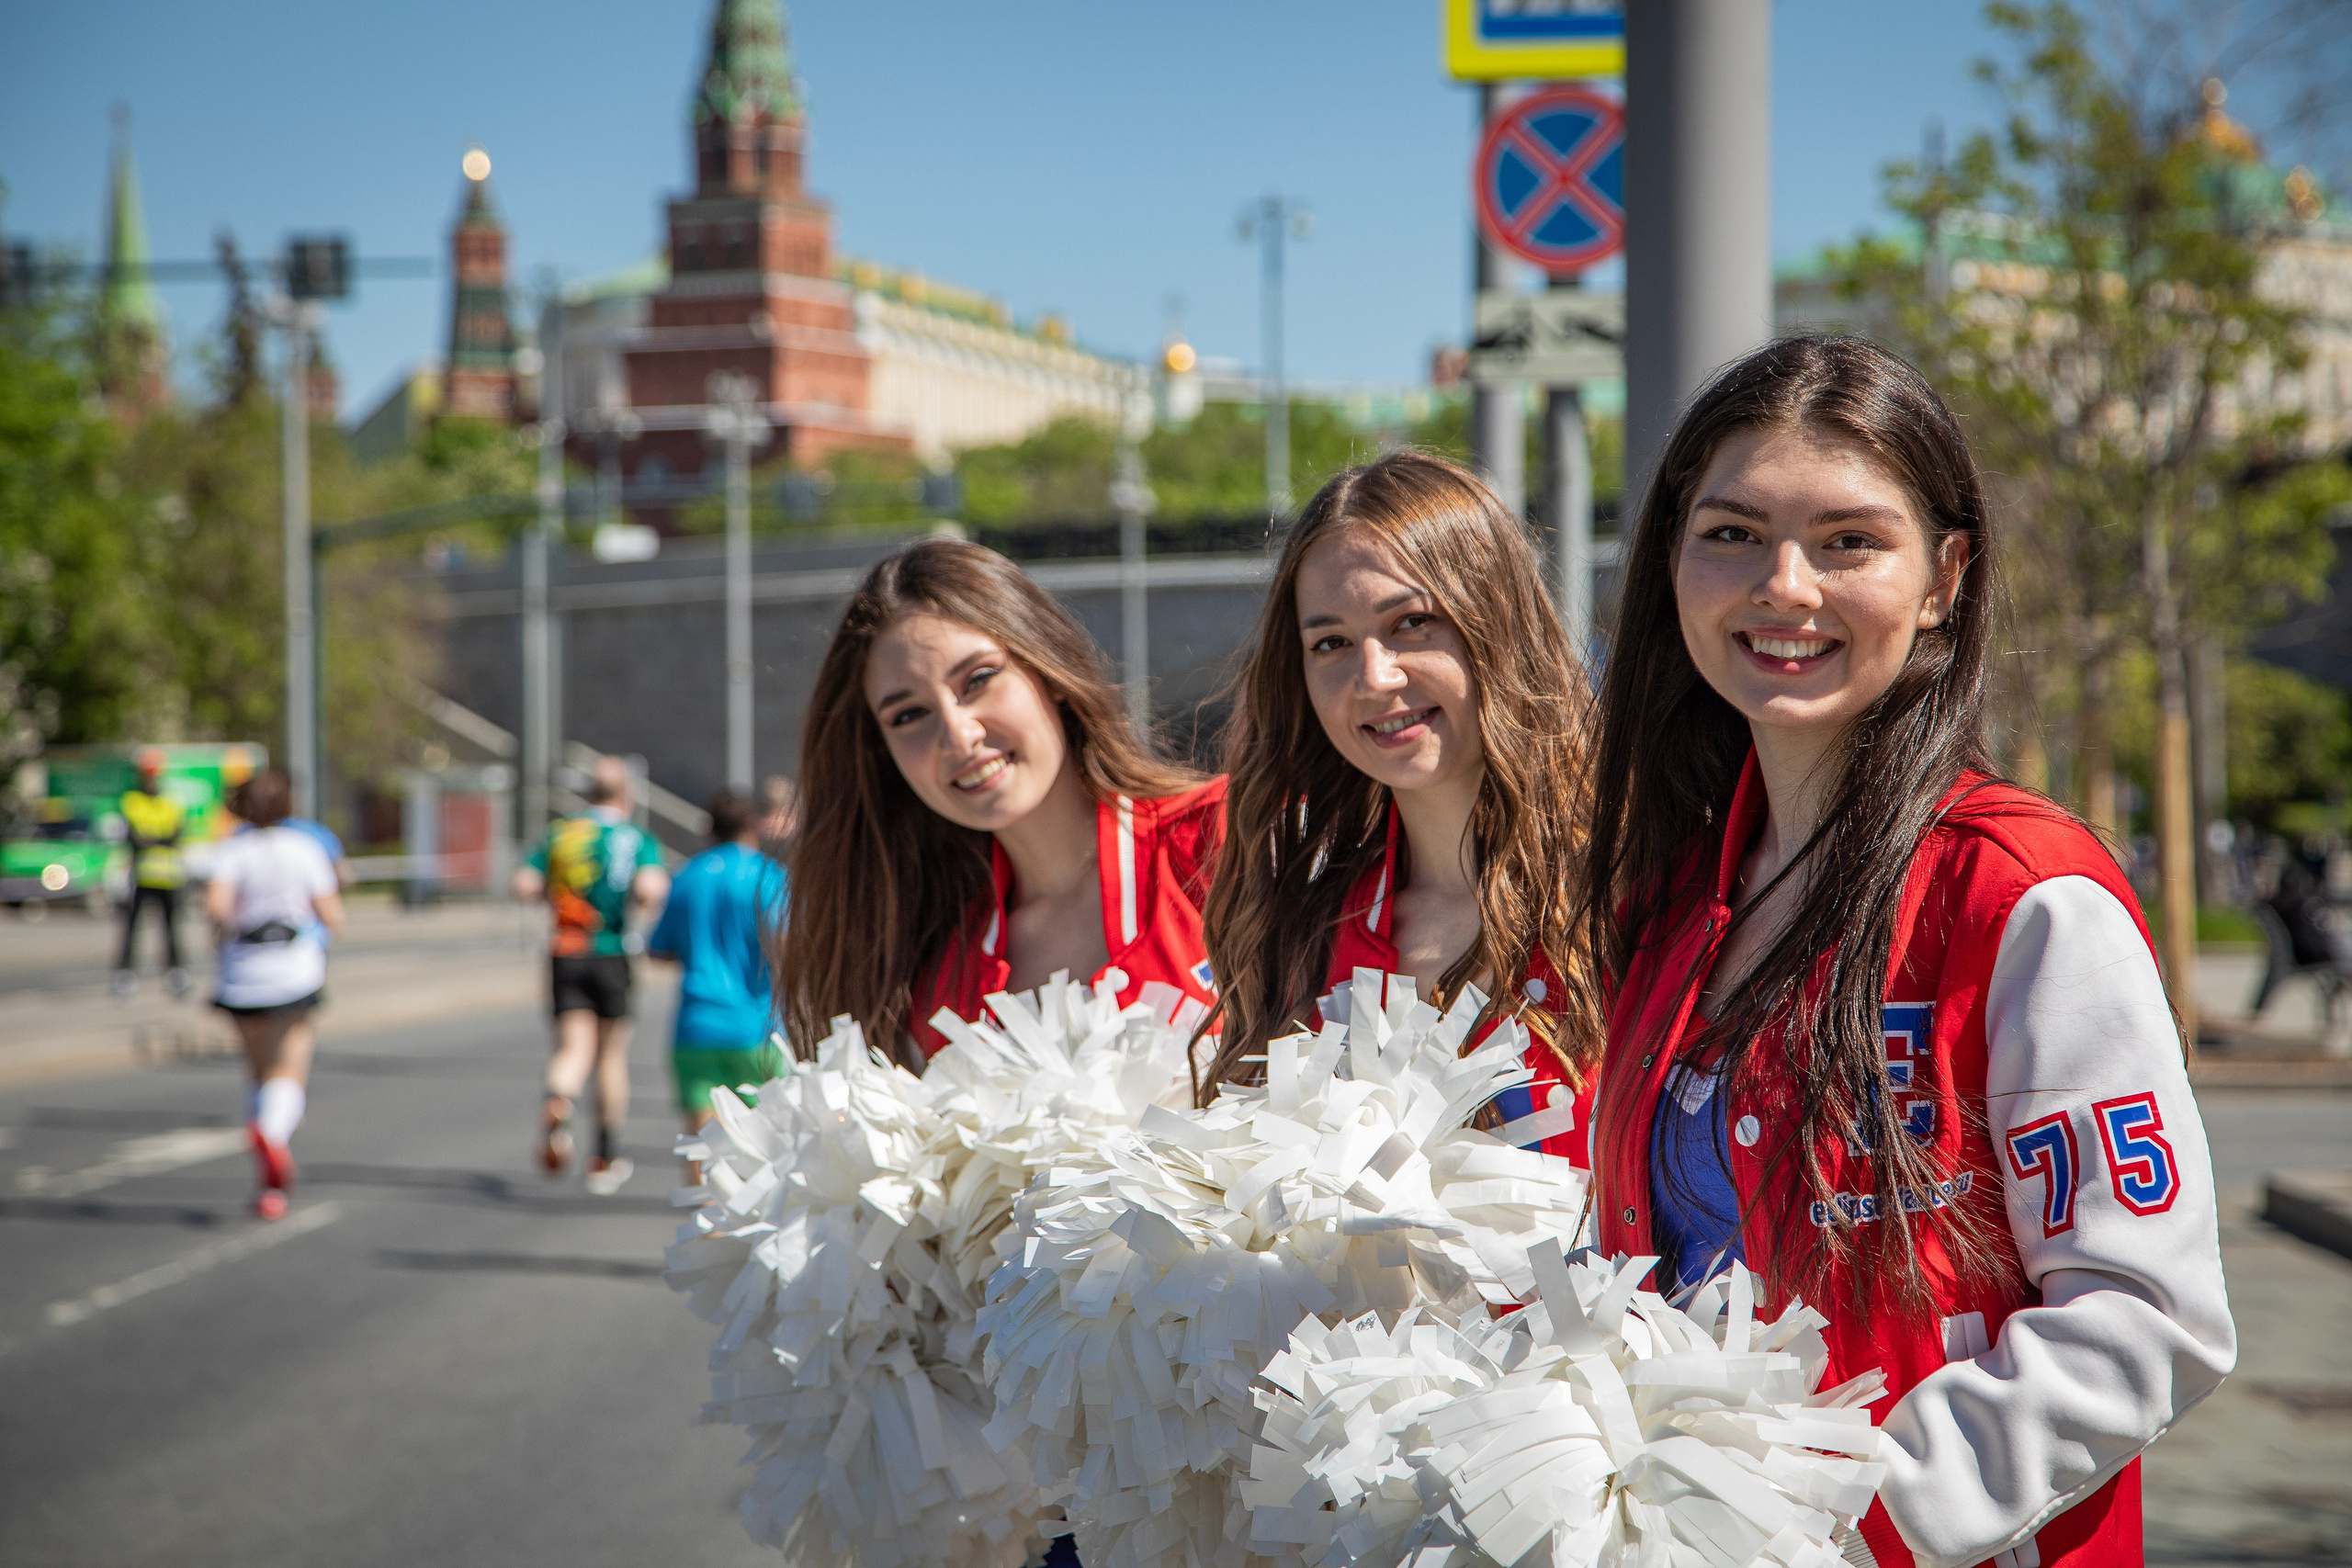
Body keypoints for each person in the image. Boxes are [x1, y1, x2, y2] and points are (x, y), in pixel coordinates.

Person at [1581, 335, 2233, 1568]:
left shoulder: (2023, 896)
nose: (1785, 584)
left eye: (1847, 541)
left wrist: (1827, 1521)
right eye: (1731, 532)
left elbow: (2148, 1322)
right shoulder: (1668, 900)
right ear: (1670, 560)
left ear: (1943, 576)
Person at [1196, 450, 1599, 1164]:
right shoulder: (1301, 926)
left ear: (1495, 620)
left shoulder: (1636, 882)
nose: (1374, 677)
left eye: (1412, 623)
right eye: (1332, 643)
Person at [780, 537, 1225, 1070]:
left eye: (979, 679)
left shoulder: (1228, 839)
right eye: (909, 716)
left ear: (1048, 666)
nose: (958, 734)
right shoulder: (932, 982)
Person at [513, 756, 669, 1194]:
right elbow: (651, 889)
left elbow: (523, 882)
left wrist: (555, 896)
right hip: (611, 951)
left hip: (564, 950)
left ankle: (559, 1099)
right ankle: (605, 1155)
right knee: (610, 1057)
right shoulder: (635, 838)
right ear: (627, 794)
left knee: (572, 1049)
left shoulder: (562, 833)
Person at [204, 768, 344, 1220]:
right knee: (290, 1068)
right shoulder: (305, 848)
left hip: (243, 974)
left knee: (258, 1070)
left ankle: (267, 1179)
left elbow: (218, 909)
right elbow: (332, 914)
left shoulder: (233, 850)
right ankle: (272, 1137)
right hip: (293, 971)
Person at [648, 790, 787, 1179]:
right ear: (752, 826)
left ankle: (706, 1212)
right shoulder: (769, 875)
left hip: (697, 1023)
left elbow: (658, 948)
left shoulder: (687, 876)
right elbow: (788, 945)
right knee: (765, 1132)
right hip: (756, 1025)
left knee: (703, 1130)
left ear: (710, 830)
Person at [113, 750, 192, 999]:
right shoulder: (131, 801)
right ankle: (125, 974)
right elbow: (133, 838)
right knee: (131, 929)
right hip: (141, 877)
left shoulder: (170, 803)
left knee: (170, 930)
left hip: (168, 877)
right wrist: (157, 839)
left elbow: (175, 837)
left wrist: (151, 839)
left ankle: (175, 974)